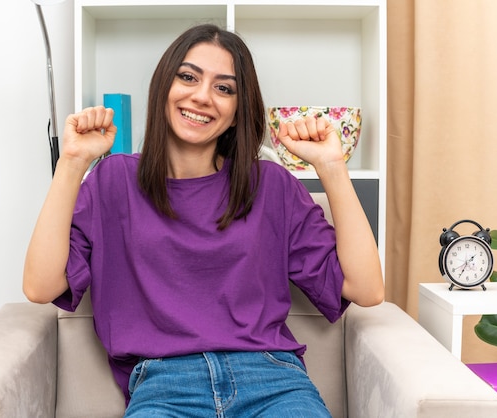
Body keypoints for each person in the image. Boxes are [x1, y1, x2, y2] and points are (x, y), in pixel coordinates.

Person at [23, 23, 384, 417]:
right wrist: (73, 163)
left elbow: (366, 290)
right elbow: (41, 287)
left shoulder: (271, 185)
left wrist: (331, 166)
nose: (202, 96)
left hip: (273, 382)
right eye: (189, 77)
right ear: (164, 86)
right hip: (164, 388)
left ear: (236, 112)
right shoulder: (112, 182)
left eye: (224, 88)